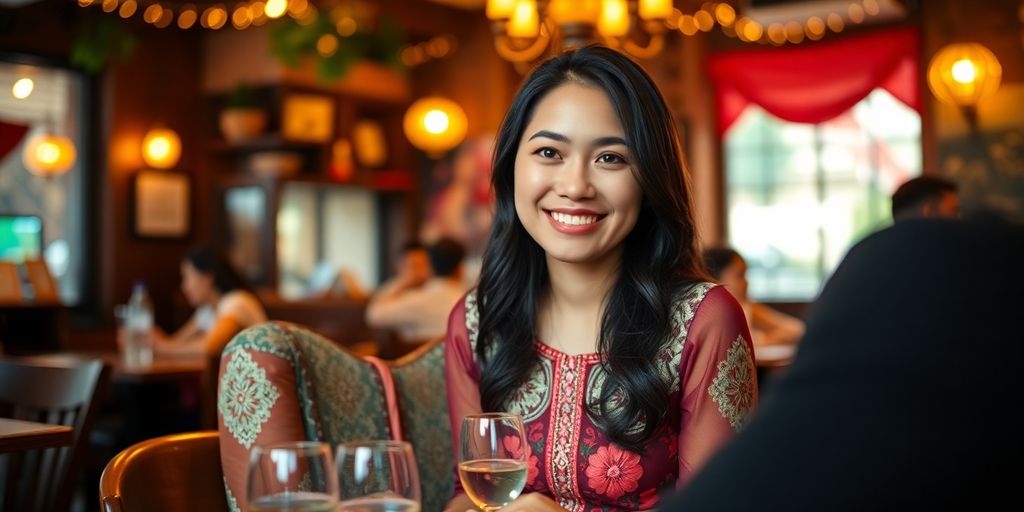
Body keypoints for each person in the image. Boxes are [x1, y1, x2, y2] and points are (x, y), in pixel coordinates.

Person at [444, 46, 757, 512]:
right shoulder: (477, 320)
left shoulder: (702, 322)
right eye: (549, 152)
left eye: (610, 158)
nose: (575, 186)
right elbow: (466, 498)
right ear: (511, 167)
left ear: (649, 179)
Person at [662, 218, 1024, 510]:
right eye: (740, 274)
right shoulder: (715, 310)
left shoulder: (770, 469)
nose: (745, 281)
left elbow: (796, 330)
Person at [149, 245, 267, 357]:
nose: (184, 287)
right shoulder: (207, 310)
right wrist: (155, 338)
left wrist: (161, 348)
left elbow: (209, 347)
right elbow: (176, 342)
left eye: (187, 277)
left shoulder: (237, 302)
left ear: (208, 277)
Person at [366, 238, 467, 343]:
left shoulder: (416, 300)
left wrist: (403, 282)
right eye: (411, 266)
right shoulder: (469, 300)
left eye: (420, 265)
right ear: (460, 269)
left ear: (430, 267)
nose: (416, 271)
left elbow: (373, 315)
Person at [703, 247, 805, 347]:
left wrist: (763, 339)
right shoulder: (707, 316)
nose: (747, 282)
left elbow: (797, 330)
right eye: (740, 275)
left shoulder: (748, 308)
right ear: (716, 281)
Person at [891, 175, 959, 221]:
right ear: (929, 212)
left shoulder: (883, 240)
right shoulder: (961, 240)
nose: (958, 218)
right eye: (953, 211)